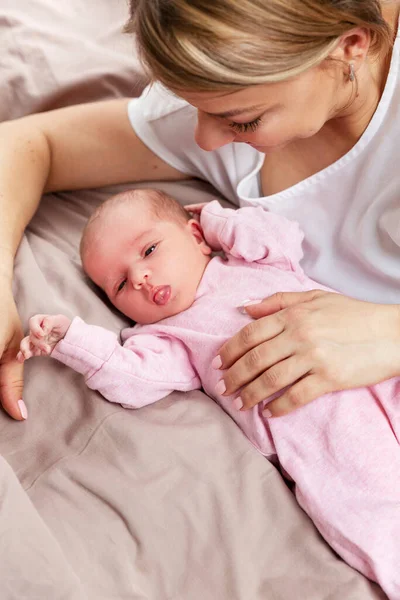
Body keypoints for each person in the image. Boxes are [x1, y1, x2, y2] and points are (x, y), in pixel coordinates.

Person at [1, 0, 400, 422]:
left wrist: (386, 331)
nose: (205, 139)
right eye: (191, 103)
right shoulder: (226, 81)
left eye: (242, 120)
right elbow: (30, 145)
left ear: (350, 45)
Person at [17, 189, 400, 597]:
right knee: (376, 518)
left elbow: (280, 233)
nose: (141, 278)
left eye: (149, 250)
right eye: (121, 285)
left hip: (373, 366)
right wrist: (69, 338)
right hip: (321, 435)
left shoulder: (253, 259)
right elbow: (128, 376)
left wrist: (218, 222)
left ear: (196, 235)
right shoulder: (166, 335)